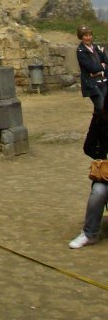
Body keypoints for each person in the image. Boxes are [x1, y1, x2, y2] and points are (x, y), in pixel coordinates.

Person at [69, 106, 108, 248]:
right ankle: (89, 233)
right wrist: (103, 157)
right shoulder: (100, 118)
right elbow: (88, 147)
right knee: (98, 192)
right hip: (106, 174)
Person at [76, 25, 108, 111]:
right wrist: (102, 66)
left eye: (90, 35)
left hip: (103, 82)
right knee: (102, 107)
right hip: (91, 84)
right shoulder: (81, 51)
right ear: (81, 37)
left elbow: (106, 61)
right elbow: (91, 68)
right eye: (85, 35)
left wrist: (101, 70)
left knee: (99, 111)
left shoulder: (97, 48)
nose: (88, 38)